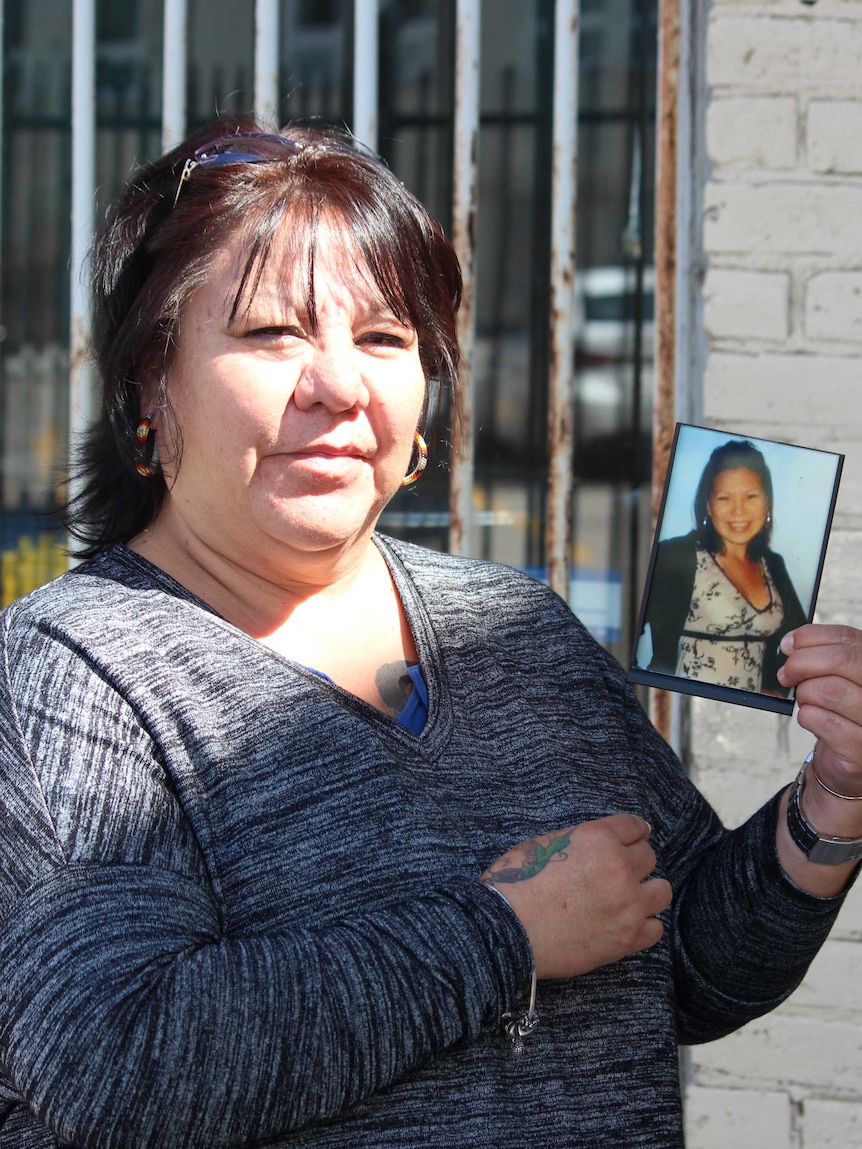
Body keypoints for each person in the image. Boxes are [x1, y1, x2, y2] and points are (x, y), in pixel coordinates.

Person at [1, 119, 862, 1149]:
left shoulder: (518, 630)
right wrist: (498, 937)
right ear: (150, 383)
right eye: (271, 332)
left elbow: (685, 968)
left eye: (382, 337)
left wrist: (828, 807)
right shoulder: (73, 670)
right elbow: (118, 1063)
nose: (336, 385)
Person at [639, 439, 807, 694]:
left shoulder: (774, 564)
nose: (739, 511)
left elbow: (800, 643)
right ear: (708, 505)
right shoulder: (673, 556)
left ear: (767, 503)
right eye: (724, 497)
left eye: (751, 496)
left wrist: (776, 689)